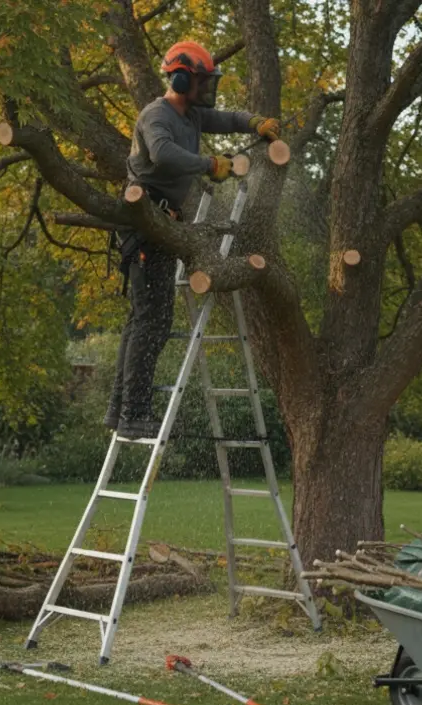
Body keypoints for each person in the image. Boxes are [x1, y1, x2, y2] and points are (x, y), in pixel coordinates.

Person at [106, 40, 281, 439]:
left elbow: (226, 118)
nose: (207, 90)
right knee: (151, 321)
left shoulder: (193, 116)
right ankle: (134, 412)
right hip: (145, 221)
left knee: (145, 319)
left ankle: (122, 409)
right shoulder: (157, 115)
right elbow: (163, 154)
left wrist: (255, 122)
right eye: (202, 82)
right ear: (182, 78)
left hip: (165, 220)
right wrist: (209, 164)